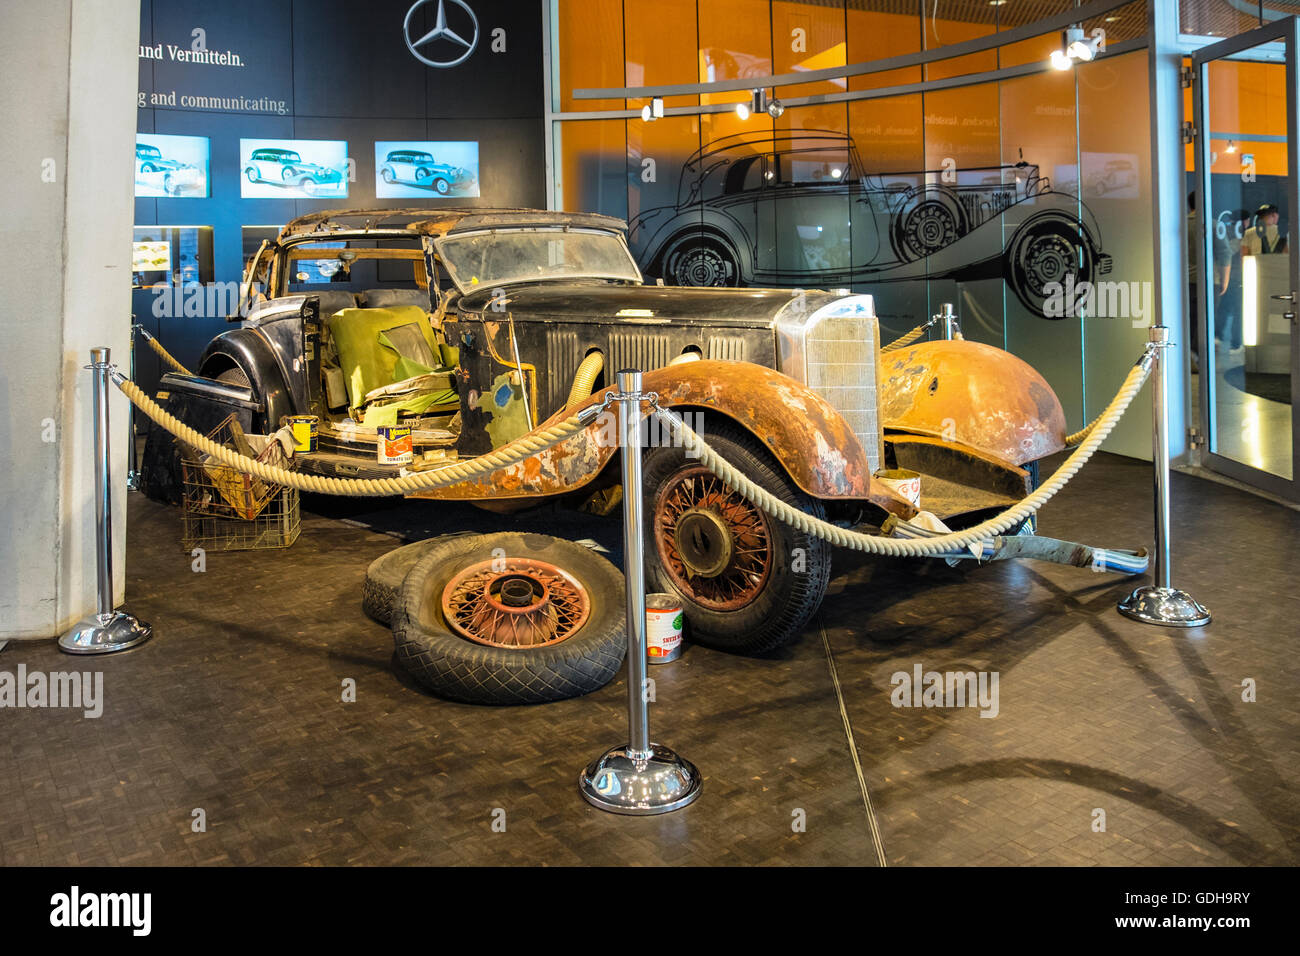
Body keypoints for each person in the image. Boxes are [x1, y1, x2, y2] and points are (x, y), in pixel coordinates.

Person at [1215, 209, 1252, 356]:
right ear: (1244, 221)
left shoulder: (1223, 230)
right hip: (1237, 277)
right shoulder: (1240, 234)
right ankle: (1236, 344)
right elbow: (1228, 252)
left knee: (1223, 309)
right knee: (1238, 312)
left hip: (1225, 277)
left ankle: (1218, 338)